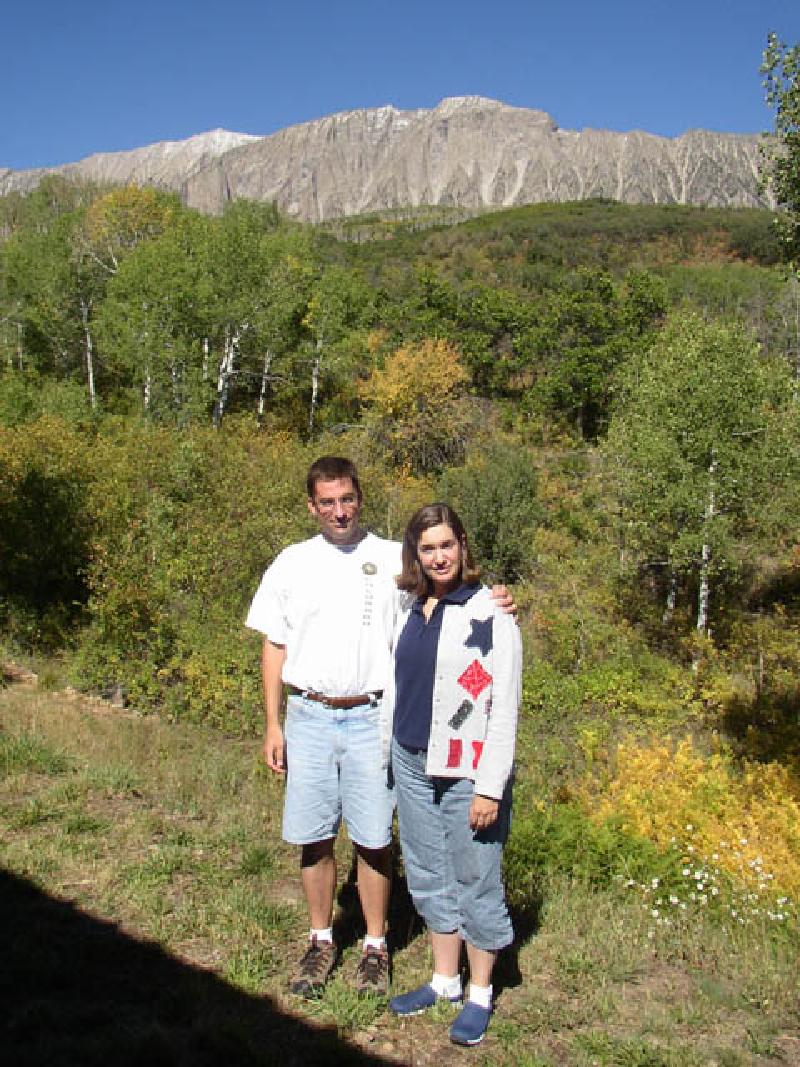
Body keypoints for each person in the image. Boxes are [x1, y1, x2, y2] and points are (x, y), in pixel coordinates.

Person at [245, 458, 513, 999]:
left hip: (372, 718)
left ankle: (375, 945)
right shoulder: (291, 563)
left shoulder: (393, 557)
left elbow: (447, 593)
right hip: (310, 714)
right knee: (314, 836)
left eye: (347, 499)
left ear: (359, 497)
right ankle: (320, 939)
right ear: (312, 506)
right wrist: (273, 723)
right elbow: (274, 645)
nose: (339, 511)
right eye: (328, 503)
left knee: (373, 840)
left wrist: (496, 599)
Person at [382, 503, 521, 1046]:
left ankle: (481, 990)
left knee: (476, 878)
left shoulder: (489, 613)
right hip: (412, 761)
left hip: (466, 770)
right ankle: (445, 980)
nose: (438, 557)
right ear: (415, 555)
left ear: (462, 545)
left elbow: (504, 706)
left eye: (446, 545)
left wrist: (490, 786)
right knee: (427, 870)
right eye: (427, 548)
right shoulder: (409, 606)